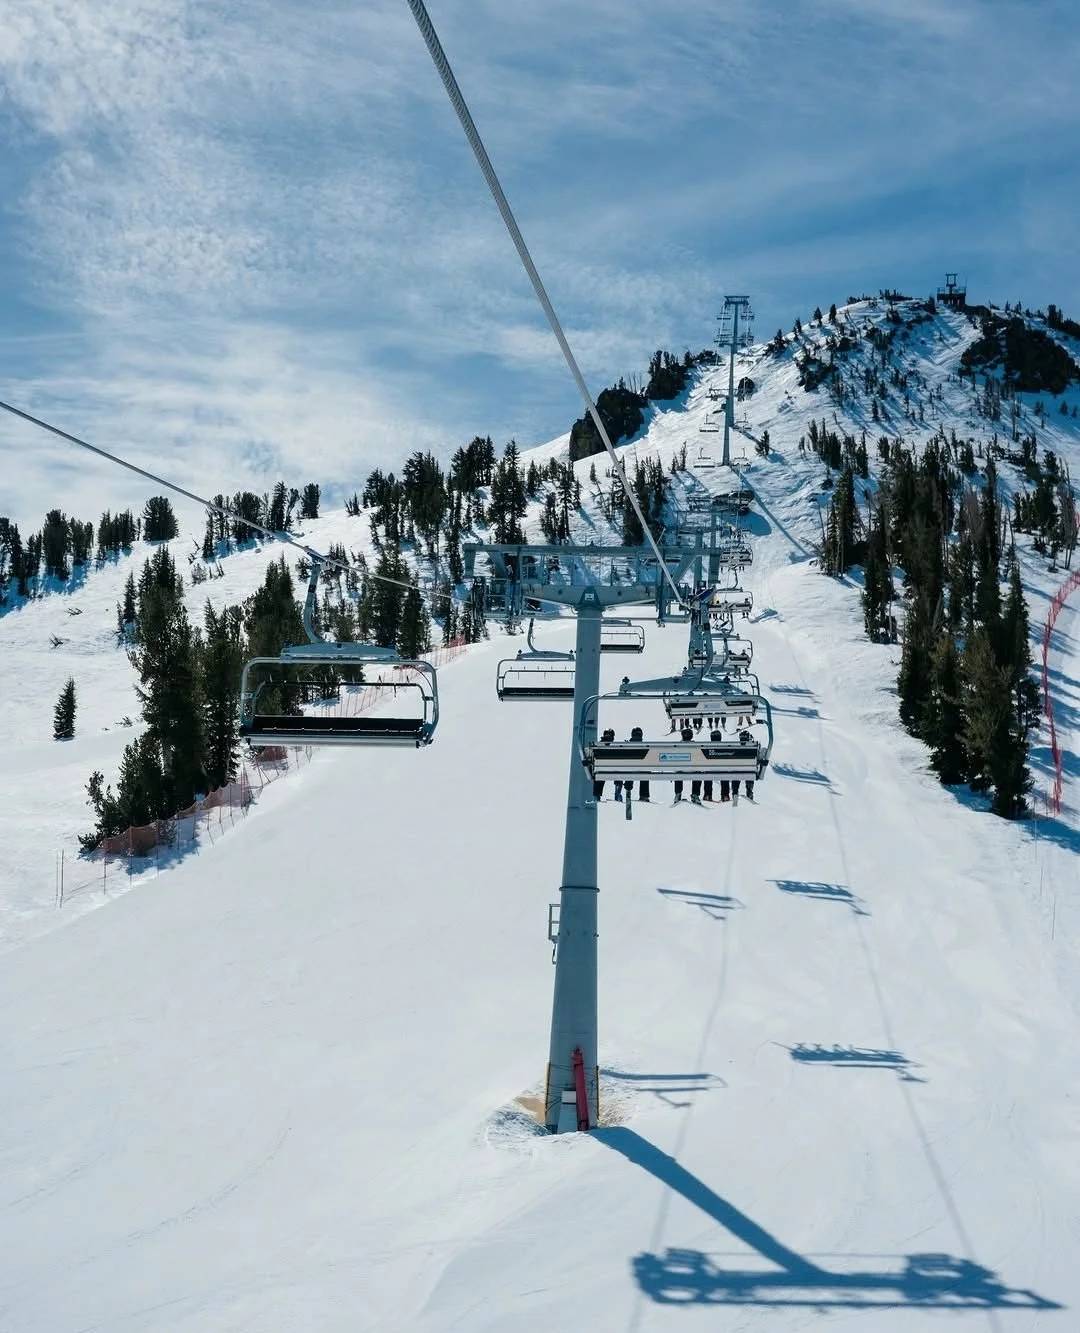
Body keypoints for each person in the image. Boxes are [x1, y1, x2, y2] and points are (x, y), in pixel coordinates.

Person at [629, 725, 650, 802]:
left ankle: (628, 789)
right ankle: (644, 795)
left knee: (627, 769)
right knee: (646, 770)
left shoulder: (626, 745)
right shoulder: (645, 746)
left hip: (628, 770)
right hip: (642, 770)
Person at [594, 727, 615, 800]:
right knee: (619, 771)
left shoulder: (598, 745)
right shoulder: (615, 746)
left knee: (598, 773)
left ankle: (597, 795)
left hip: (600, 770)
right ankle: (617, 791)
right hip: (613, 769)